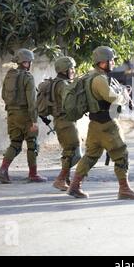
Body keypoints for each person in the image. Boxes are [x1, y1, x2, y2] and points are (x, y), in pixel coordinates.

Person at [67, 46, 134, 200]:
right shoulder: (99, 80)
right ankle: (124, 189)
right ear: (102, 62)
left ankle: (75, 186)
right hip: (107, 124)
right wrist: (124, 96)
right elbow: (114, 98)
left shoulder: (92, 76)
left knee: (91, 155)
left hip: (95, 124)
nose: (114, 63)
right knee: (121, 154)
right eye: (111, 60)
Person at [0, 48, 47, 183]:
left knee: (15, 143)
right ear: (26, 63)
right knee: (32, 144)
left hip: (12, 114)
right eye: (30, 61)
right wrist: (34, 121)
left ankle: (3, 169)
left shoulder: (9, 75)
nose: (30, 64)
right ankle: (33, 174)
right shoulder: (28, 77)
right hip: (25, 115)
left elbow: (3, 95)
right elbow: (32, 102)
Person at [51, 56, 82, 191]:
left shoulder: (58, 82)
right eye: (71, 68)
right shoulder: (63, 85)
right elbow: (69, 104)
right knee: (75, 151)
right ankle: (60, 179)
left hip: (61, 121)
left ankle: (66, 179)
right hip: (66, 121)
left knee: (68, 151)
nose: (73, 70)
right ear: (64, 70)